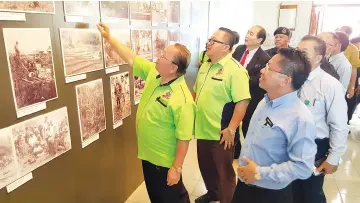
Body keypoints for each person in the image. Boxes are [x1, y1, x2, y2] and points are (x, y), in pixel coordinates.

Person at [97, 22, 196, 203]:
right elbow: (131, 57)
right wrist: (109, 38)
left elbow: (184, 138)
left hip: (164, 163)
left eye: (163, 56)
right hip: (148, 156)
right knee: (156, 197)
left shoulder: (183, 99)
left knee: (173, 198)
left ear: (173, 68)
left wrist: (176, 168)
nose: (158, 57)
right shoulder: (154, 73)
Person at [231, 48, 317, 203]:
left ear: (285, 80)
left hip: (269, 193)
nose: (262, 71)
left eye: (269, 67)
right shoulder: (266, 100)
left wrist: (259, 173)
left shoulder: (299, 118)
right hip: (245, 184)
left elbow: (303, 167)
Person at [193, 27, 250, 203]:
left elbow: (243, 102)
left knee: (224, 172)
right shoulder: (206, 66)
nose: (208, 43)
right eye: (210, 39)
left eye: (214, 40)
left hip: (221, 132)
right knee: (206, 167)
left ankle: (227, 199)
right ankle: (213, 193)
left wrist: (231, 129)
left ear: (226, 47)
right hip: (202, 128)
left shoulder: (236, 71)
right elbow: (195, 93)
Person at [293, 35, 349, 203]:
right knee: (291, 191)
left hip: (314, 145)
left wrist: (333, 158)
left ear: (319, 58)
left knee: (310, 193)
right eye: (297, 51)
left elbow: (339, 125)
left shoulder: (329, 85)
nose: (298, 56)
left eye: (304, 52)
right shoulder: (292, 77)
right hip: (289, 142)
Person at [232, 25, 270, 159]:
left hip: (251, 97)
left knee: (247, 126)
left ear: (260, 40)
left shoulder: (265, 58)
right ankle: (235, 151)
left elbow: (259, 79)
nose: (247, 36)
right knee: (233, 123)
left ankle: (250, 154)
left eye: (251, 34)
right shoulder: (239, 49)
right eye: (248, 32)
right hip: (233, 94)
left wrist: (240, 80)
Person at [338, 26, 360, 123]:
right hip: (334, 81)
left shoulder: (352, 49)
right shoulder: (332, 46)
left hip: (347, 82)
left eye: (343, 32)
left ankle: (343, 124)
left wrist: (351, 87)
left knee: (346, 105)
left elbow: (354, 69)